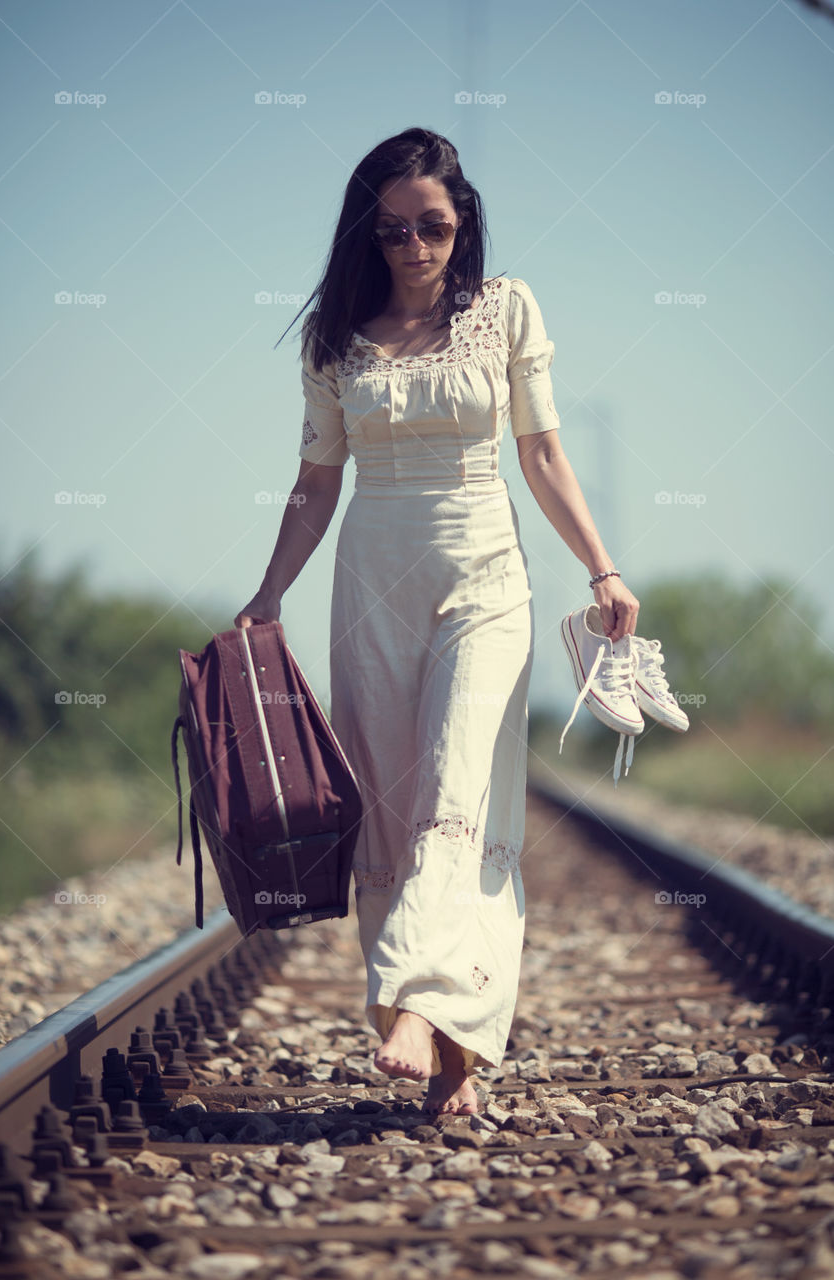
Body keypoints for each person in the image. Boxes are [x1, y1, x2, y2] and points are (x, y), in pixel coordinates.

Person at [235, 126, 639, 1116]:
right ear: (366, 236)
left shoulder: (504, 311)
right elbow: (315, 481)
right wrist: (266, 591)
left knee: (459, 794)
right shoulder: (335, 339)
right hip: (371, 576)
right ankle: (452, 1046)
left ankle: (413, 1002)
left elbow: (541, 453)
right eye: (394, 231)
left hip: (486, 575)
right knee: (389, 809)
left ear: (464, 227)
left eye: (435, 226)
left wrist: (603, 565)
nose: (416, 247)